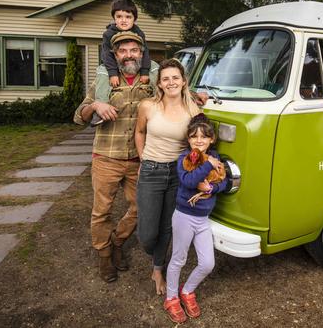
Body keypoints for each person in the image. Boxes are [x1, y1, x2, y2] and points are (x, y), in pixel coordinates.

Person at [73, 31, 153, 283]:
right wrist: (96, 106)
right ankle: (105, 255)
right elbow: (78, 116)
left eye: (133, 50)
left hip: (138, 160)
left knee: (142, 208)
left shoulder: (151, 83)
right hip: (106, 158)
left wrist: (197, 97)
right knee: (101, 211)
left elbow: (176, 95)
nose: (129, 55)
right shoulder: (104, 82)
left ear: (141, 53)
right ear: (115, 55)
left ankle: (117, 241)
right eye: (123, 50)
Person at [134, 59, 201, 295]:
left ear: (183, 81)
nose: (171, 82)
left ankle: (157, 269)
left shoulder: (194, 110)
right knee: (147, 235)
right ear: (160, 84)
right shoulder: (148, 106)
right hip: (151, 171)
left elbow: (199, 141)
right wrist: (143, 159)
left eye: (175, 77)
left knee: (167, 227)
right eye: (166, 79)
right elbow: (140, 132)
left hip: (177, 173)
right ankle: (154, 254)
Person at [163, 114, 228, 323]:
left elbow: (225, 183)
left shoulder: (216, 156)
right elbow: (188, 180)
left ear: (212, 139)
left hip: (203, 219)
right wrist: (208, 164)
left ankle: (187, 290)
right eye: (194, 137)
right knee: (179, 259)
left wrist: (213, 188)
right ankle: (171, 298)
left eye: (203, 136)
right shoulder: (185, 158)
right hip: (184, 216)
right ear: (188, 140)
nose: (199, 140)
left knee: (208, 263)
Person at [91, 0, 152, 126]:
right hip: (112, 64)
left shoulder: (139, 33)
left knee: (155, 68)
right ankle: (100, 109)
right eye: (119, 17)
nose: (123, 20)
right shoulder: (108, 34)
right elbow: (106, 55)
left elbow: (145, 52)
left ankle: (162, 108)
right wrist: (112, 73)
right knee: (102, 73)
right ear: (114, 18)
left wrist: (145, 71)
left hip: (135, 64)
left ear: (134, 19)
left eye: (128, 17)